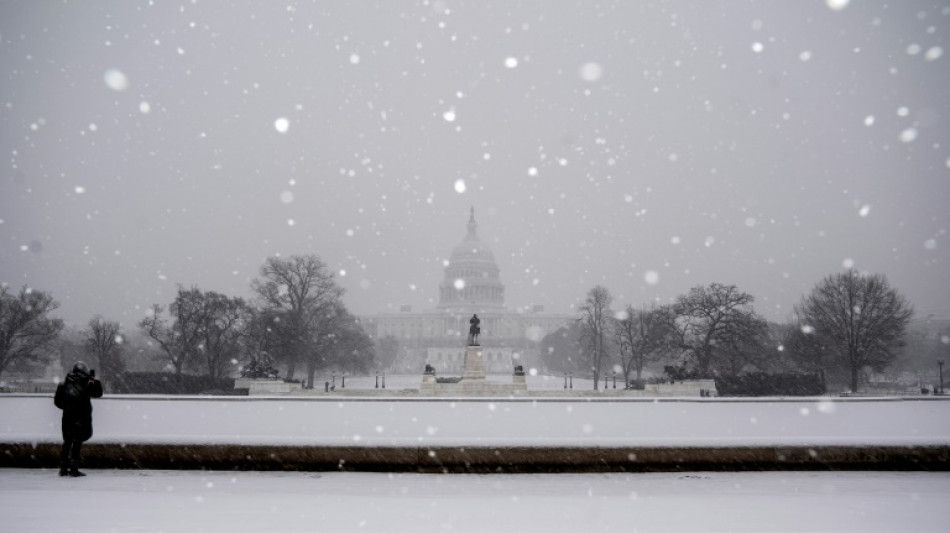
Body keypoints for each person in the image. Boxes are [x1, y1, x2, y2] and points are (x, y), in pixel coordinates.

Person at [54, 361, 103, 477]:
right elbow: (97, 393)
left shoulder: (63, 384)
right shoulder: (86, 383)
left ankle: (63, 468)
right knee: (77, 443)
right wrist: (92, 380)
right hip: (82, 417)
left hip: (68, 418)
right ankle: (74, 469)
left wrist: (68, 407)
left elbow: (58, 402)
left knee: (67, 443)